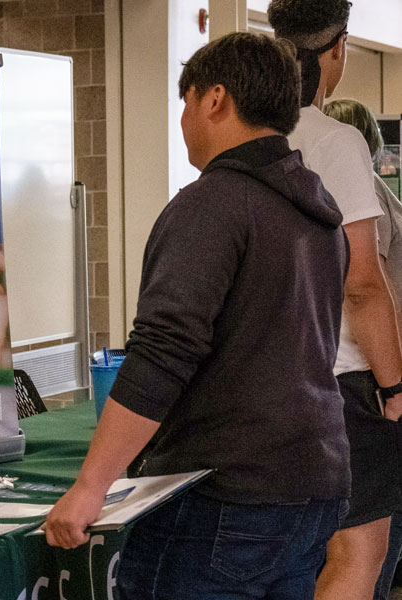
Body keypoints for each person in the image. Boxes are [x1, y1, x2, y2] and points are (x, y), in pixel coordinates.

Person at [44, 32, 350, 599]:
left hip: (224, 497)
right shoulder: (319, 214)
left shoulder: (214, 203)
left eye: (183, 102)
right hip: (314, 483)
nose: (183, 119)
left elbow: (162, 352)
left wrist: (91, 487)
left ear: (214, 99)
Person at [268, 2, 402, 597]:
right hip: (341, 381)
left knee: (296, 556)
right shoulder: (337, 141)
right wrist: (394, 387)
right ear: (338, 49)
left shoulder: (248, 136)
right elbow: (363, 283)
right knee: (357, 552)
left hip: (266, 378)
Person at [322, 98, 402, 600]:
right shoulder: (367, 200)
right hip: (370, 374)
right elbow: (366, 287)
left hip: (363, 370)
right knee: (368, 544)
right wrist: (394, 384)